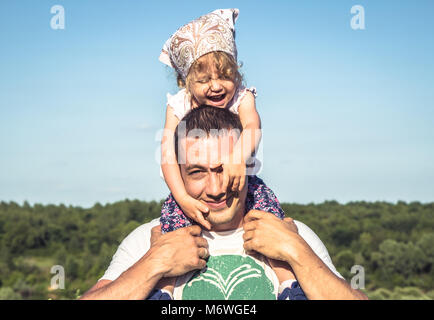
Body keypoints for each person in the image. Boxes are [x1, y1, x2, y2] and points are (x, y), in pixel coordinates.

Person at [80, 107, 368, 300]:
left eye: (225, 169)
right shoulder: (150, 240)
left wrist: (296, 252)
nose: (216, 189)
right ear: (177, 175)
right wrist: (155, 263)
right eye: (197, 172)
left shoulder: (290, 234)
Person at [159, 8, 285, 234]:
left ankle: (284, 264)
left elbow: (252, 126)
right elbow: (167, 154)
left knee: (273, 227)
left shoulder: (242, 97)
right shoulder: (179, 104)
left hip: (243, 184)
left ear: (237, 73)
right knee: (172, 233)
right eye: (204, 80)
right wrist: (182, 198)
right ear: (186, 82)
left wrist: (238, 157)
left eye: (225, 76)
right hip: (187, 191)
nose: (216, 86)